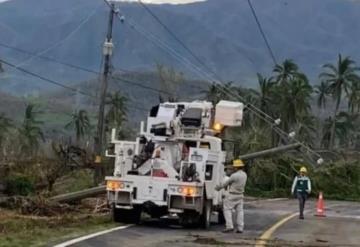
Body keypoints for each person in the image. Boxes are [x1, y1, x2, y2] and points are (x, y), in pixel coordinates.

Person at [215, 159, 247, 233]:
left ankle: (229, 226)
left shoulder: (234, 176)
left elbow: (225, 184)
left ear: (236, 167)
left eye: (234, 167)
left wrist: (218, 188)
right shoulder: (245, 175)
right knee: (240, 211)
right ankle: (240, 228)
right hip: (240, 195)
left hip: (232, 195)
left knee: (227, 209)